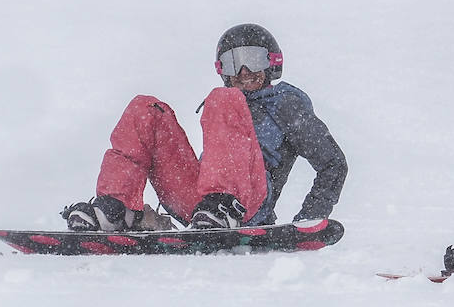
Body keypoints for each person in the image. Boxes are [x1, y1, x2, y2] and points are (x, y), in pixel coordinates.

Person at [62, 23, 348, 232]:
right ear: (221, 70)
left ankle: (224, 206)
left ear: (272, 63)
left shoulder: (285, 104)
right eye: (233, 63)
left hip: (247, 205)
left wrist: (308, 221)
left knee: (223, 99)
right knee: (146, 108)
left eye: (253, 59)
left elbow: (333, 163)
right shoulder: (225, 101)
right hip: (200, 204)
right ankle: (115, 208)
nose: (244, 72)